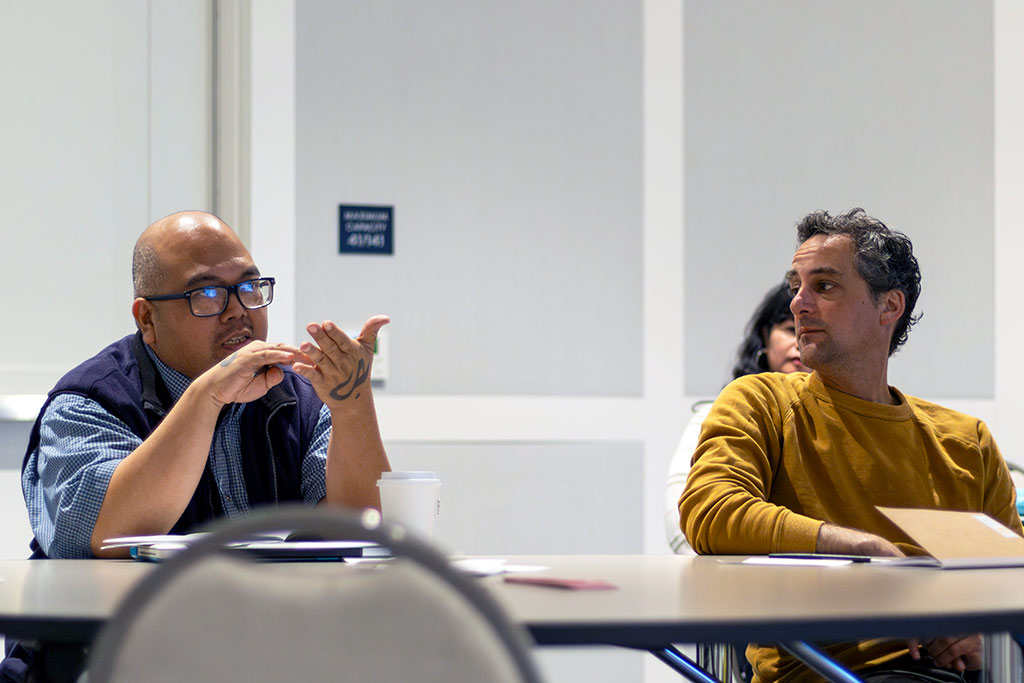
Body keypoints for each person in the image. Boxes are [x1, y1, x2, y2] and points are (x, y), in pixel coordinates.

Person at [679, 208, 1021, 683]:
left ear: (889, 307)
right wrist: (859, 550)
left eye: (824, 286)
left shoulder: (966, 440)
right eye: (795, 285)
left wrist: (985, 634)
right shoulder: (761, 402)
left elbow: (1011, 578)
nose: (798, 303)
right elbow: (710, 509)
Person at [21, 210, 392, 560]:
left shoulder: (303, 397)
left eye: (249, 287)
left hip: (266, 620)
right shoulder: (89, 402)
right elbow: (109, 535)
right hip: (124, 624)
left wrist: (352, 405)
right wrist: (207, 396)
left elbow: (360, 532)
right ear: (147, 318)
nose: (238, 311)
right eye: (207, 295)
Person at [665, 282, 803, 554]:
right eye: (790, 330)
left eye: (812, 332)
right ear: (765, 336)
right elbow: (680, 520)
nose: (800, 342)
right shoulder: (720, 411)